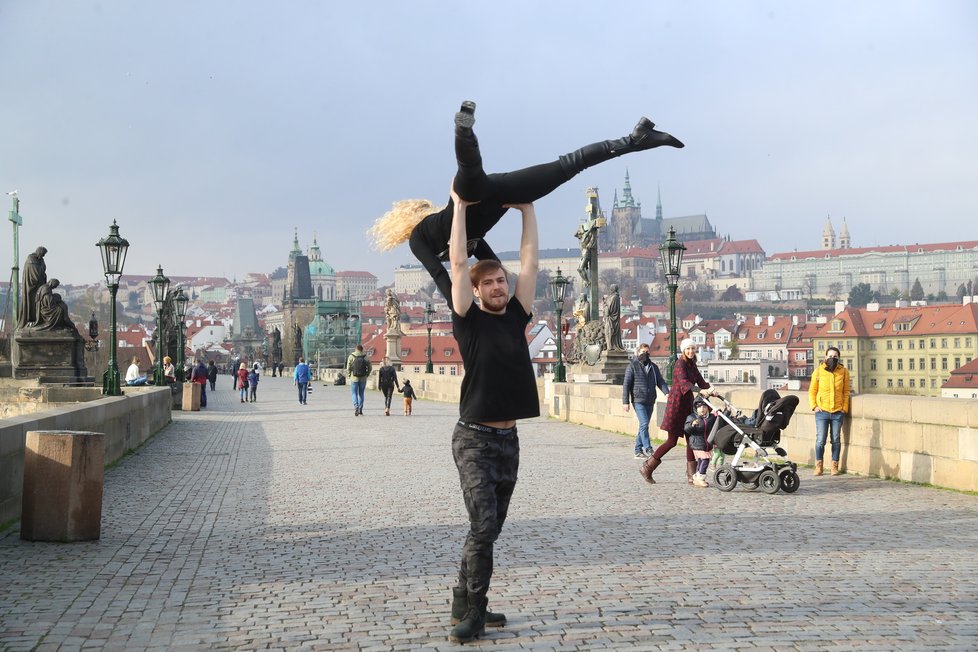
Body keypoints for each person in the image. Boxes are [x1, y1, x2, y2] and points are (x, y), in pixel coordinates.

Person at [369, 101, 682, 309]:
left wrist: (459, 309)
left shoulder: (420, 237)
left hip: (469, 199)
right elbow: (493, 267)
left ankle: (463, 128)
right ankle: (638, 138)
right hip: (503, 198)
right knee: (568, 167)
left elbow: (442, 275)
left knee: (473, 170)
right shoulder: (463, 243)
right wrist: (517, 294)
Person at [444, 183, 538, 643]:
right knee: (483, 525)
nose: (499, 286)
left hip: (508, 440)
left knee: (489, 530)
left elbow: (531, 262)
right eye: (491, 283)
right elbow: (458, 262)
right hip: (475, 438)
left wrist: (527, 210)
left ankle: (464, 597)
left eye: (502, 280)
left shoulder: (518, 314)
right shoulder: (469, 320)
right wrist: (460, 207)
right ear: (477, 291)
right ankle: (475, 613)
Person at [641, 339, 718, 485]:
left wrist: (711, 389)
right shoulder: (680, 364)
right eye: (688, 349)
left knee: (691, 440)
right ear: (683, 350)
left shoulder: (692, 364)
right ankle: (648, 467)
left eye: (693, 349)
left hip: (687, 406)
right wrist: (700, 390)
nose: (690, 351)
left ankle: (692, 475)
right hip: (676, 406)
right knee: (672, 441)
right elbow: (684, 383)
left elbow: (701, 381)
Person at [622, 343, 670, 459]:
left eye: (647, 352)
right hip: (638, 400)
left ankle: (638, 450)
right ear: (638, 353)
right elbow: (626, 384)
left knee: (644, 426)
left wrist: (667, 392)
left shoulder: (653, 367)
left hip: (650, 399)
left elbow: (660, 381)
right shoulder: (632, 366)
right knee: (644, 423)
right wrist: (625, 401)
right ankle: (648, 448)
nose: (645, 354)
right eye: (643, 352)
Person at [809, 346, 850, 476]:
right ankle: (819, 466)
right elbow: (812, 391)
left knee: (836, 439)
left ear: (838, 358)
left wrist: (844, 408)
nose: (832, 359)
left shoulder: (843, 371)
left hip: (837, 411)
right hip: (822, 411)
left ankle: (834, 466)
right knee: (820, 439)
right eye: (830, 356)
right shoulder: (818, 371)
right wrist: (814, 406)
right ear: (825, 357)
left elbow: (846, 391)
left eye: (835, 357)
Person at [685, 398, 718, 487]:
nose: (702, 409)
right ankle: (700, 477)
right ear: (696, 408)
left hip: (707, 444)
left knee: (700, 460)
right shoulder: (692, 417)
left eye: (704, 406)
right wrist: (692, 425)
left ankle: (696, 477)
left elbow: (719, 420)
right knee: (706, 459)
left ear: (708, 407)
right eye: (699, 407)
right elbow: (686, 429)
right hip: (697, 443)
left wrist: (727, 411)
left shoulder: (710, 417)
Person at [17, 246, 47, 328]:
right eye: (43, 254)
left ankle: (39, 320)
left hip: (39, 286)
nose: (43, 256)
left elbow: (43, 270)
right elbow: (35, 275)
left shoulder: (41, 260)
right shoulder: (31, 259)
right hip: (31, 287)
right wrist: (41, 278)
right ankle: (29, 320)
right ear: (39, 252)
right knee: (31, 303)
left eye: (44, 255)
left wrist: (43, 277)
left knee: (39, 303)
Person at [346, 344, 371, 416]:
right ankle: (360, 408)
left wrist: (349, 375)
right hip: (363, 378)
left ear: (355, 349)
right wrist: (367, 374)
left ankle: (356, 406)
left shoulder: (351, 356)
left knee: (354, 393)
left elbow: (348, 368)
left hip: (354, 378)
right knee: (361, 393)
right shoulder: (365, 357)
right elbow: (370, 367)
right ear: (362, 350)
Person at [604, 284, 623, 351]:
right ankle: (609, 346)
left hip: (612, 319)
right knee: (607, 333)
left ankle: (612, 346)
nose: (610, 290)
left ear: (613, 289)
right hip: (609, 319)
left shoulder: (615, 297)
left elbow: (610, 309)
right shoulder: (611, 297)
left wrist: (605, 305)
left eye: (611, 288)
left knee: (610, 332)